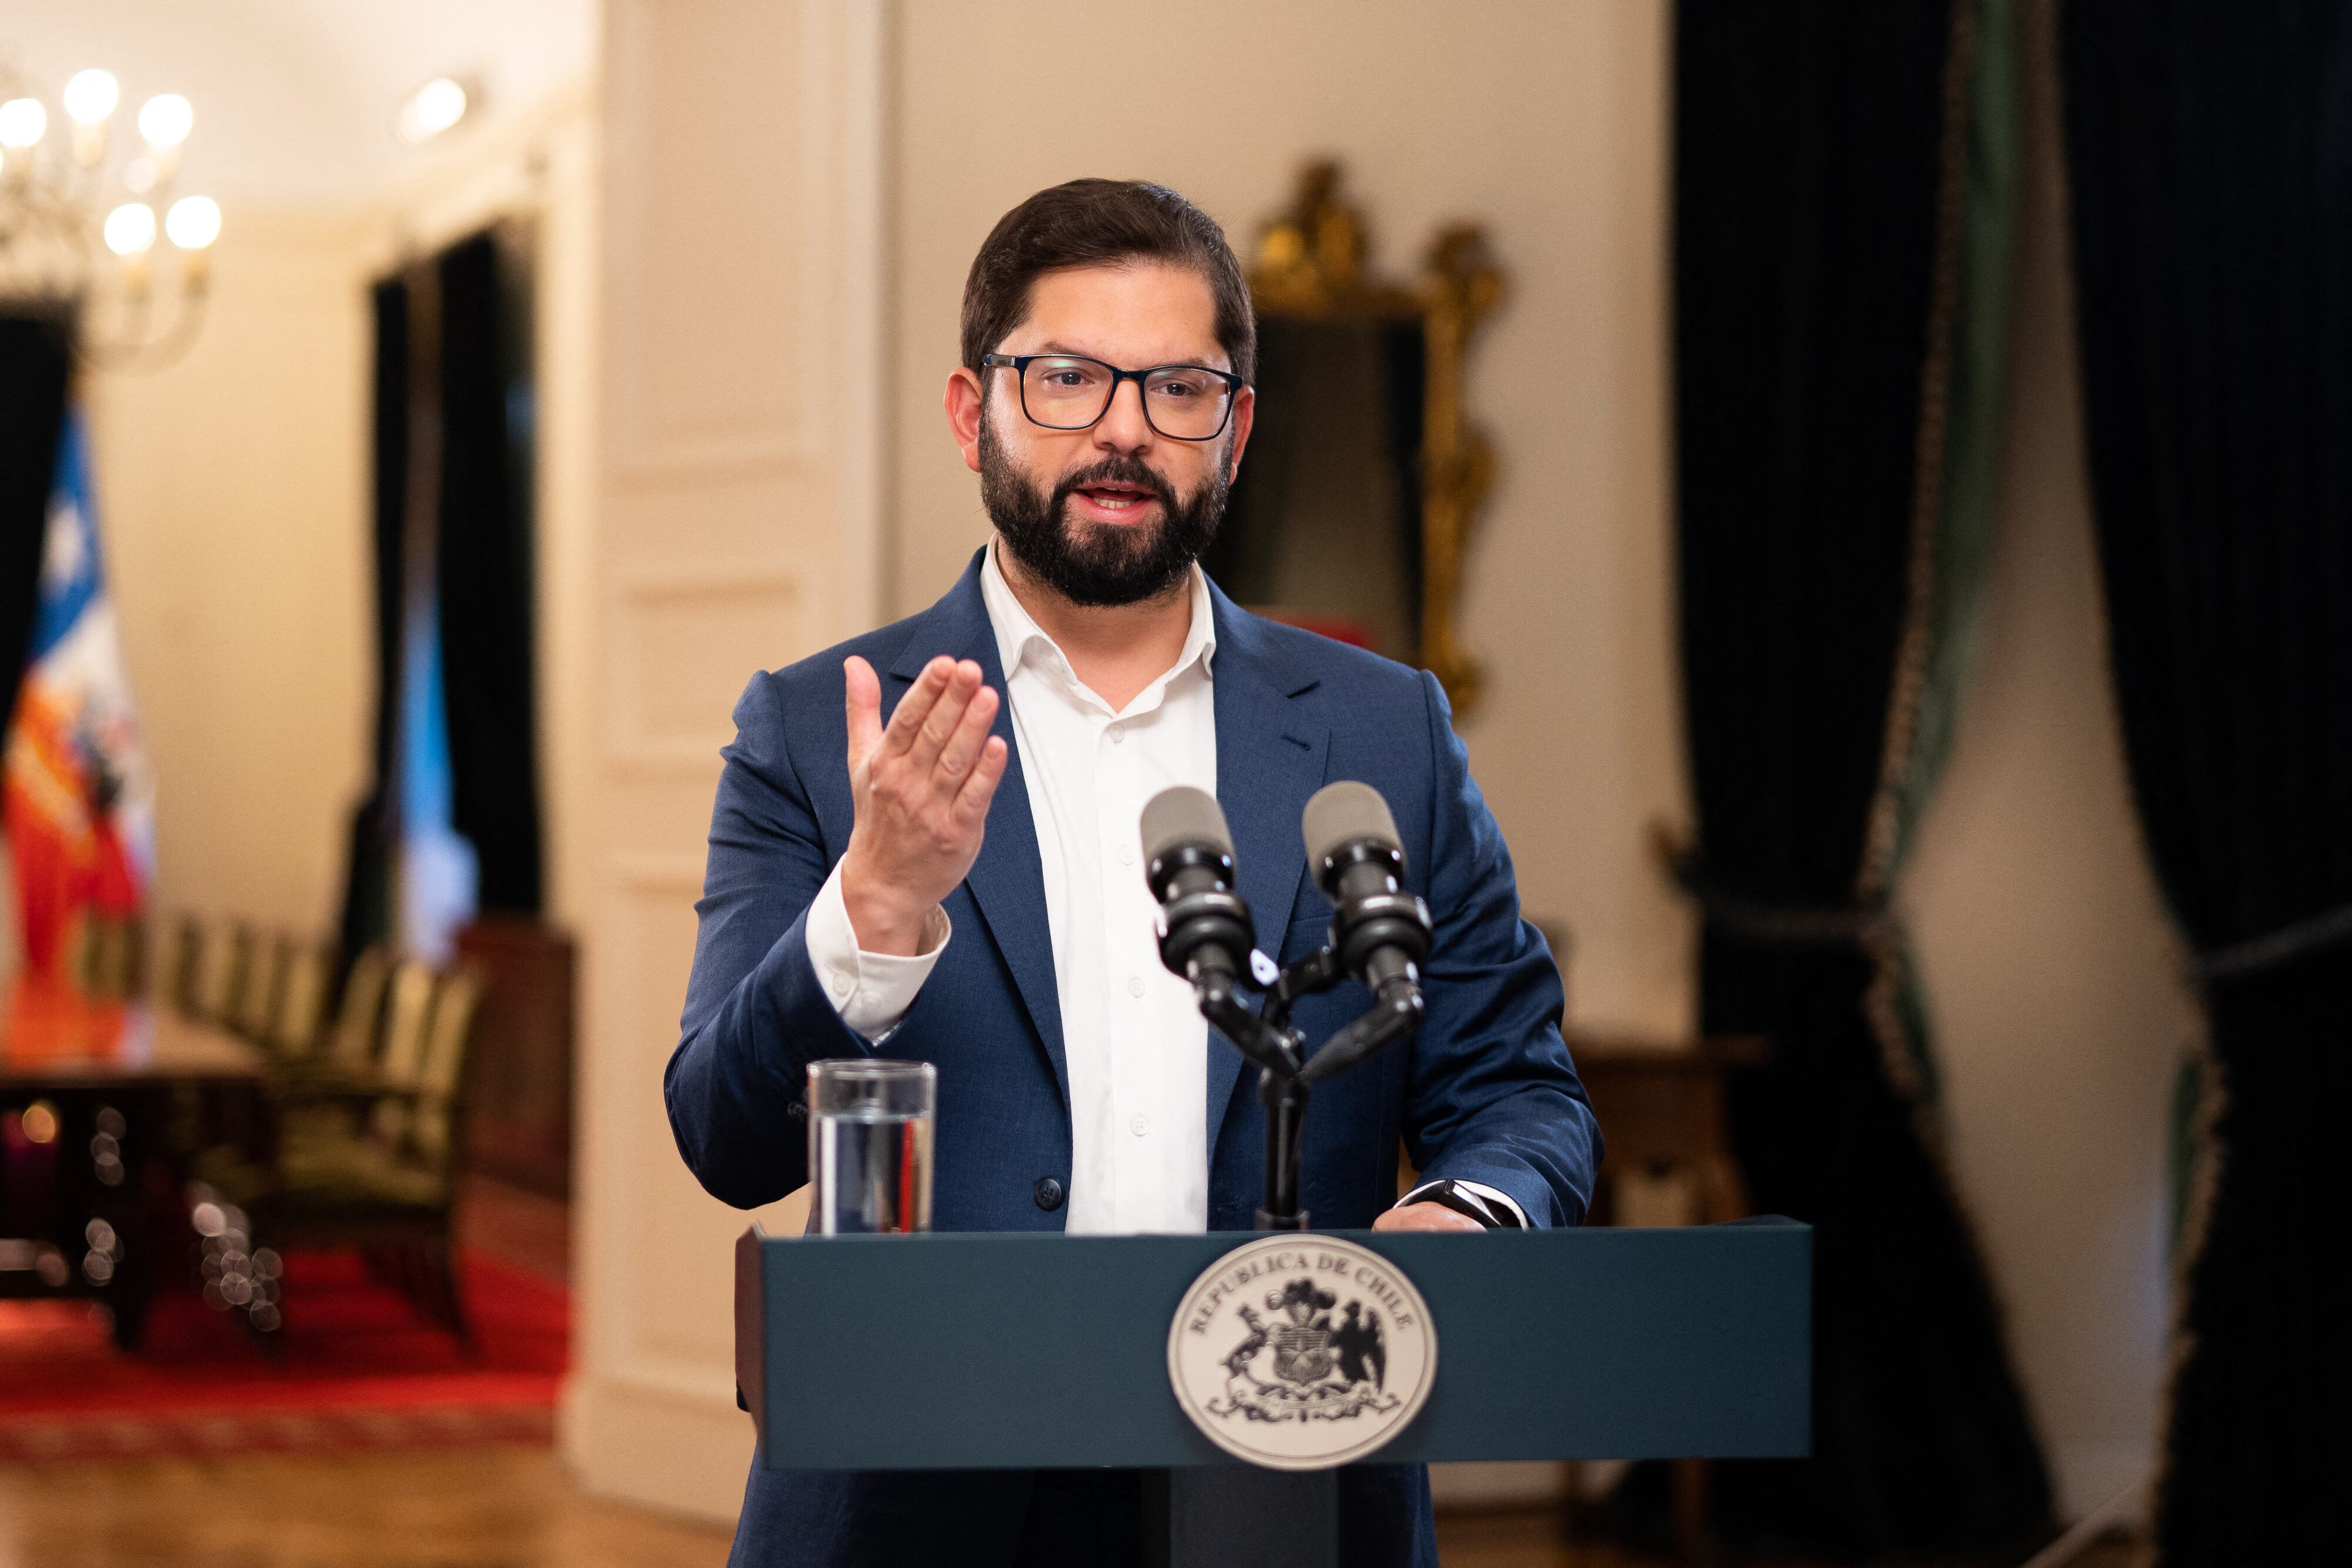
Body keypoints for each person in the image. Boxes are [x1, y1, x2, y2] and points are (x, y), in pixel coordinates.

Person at [666, 178, 1599, 1568]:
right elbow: (721, 1135)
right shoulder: (818, 729)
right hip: (913, 1504)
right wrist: (871, 908)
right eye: (1065, 379)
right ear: (968, 411)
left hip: (1290, 1478)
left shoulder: (1380, 729)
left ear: (1233, 429)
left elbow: (1519, 1090)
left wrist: (1463, 1208)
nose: (1120, 425)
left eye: (1176, 387)